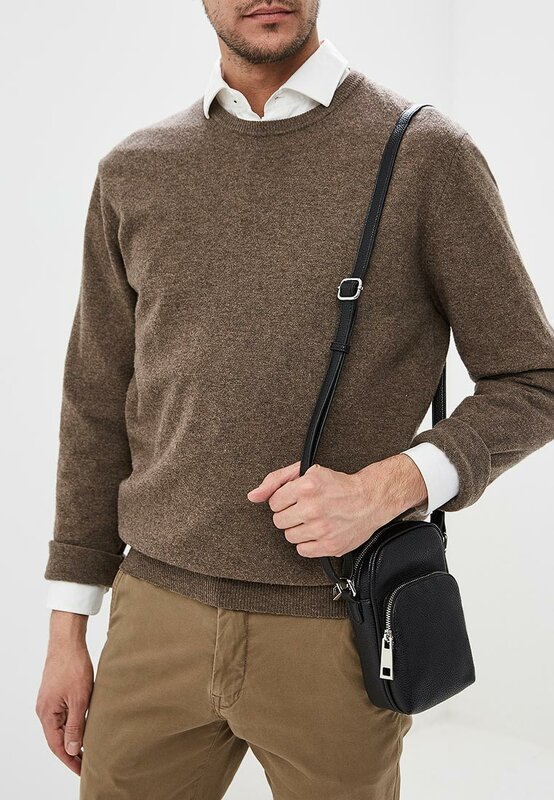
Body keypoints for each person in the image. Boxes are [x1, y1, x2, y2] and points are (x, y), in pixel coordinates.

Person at [36, 2, 554, 798]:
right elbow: (96, 405)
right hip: (153, 619)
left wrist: (390, 486)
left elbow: (533, 379)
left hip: (337, 627)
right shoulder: (135, 170)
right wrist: (68, 627)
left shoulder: (425, 155)